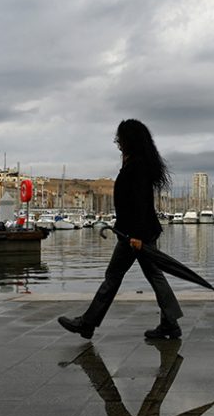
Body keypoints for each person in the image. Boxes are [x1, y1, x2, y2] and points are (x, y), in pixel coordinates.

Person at [58, 119, 183, 340]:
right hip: (137, 232)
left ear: (129, 141)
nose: (117, 143)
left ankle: (87, 323)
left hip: (133, 235)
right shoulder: (137, 164)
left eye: (120, 139)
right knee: (153, 275)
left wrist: (135, 236)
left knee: (114, 277)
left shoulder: (136, 167)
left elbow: (139, 204)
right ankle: (169, 324)